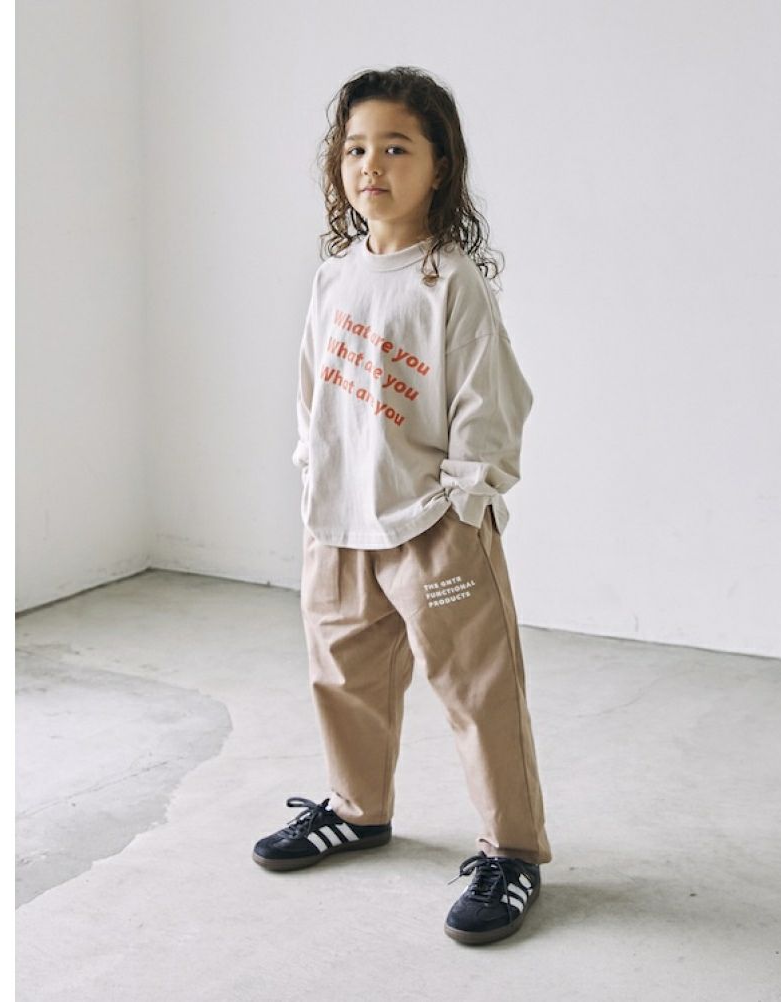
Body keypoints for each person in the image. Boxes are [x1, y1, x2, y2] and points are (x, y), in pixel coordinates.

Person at [252, 66, 552, 946]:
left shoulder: (448, 280)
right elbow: (312, 394)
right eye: (355, 149)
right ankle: (358, 809)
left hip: (432, 527)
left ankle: (513, 852)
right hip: (339, 521)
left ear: (439, 165)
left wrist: (465, 506)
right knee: (344, 677)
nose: (370, 166)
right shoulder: (334, 277)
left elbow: (490, 402)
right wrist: (315, 478)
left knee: (477, 689)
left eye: (395, 147)